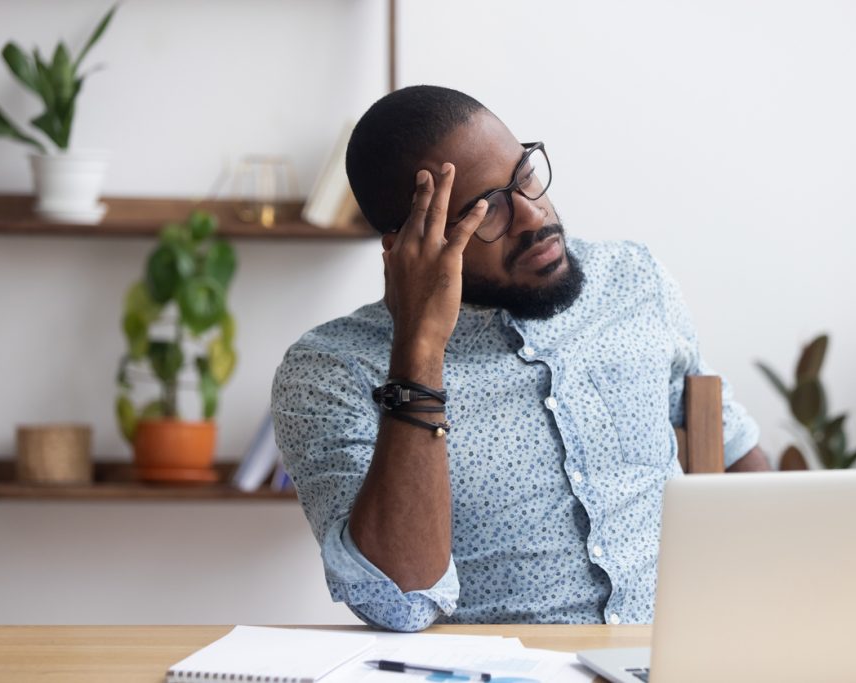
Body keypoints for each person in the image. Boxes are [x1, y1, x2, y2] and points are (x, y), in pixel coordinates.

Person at [271, 85, 770, 632]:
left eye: (524, 174)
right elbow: (400, 603)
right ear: (409, 244)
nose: (533, 216)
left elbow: (728, 445)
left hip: (675, 659)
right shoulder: (330, 371)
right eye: (484, 211)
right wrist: (420, 347)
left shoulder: (633, 279)